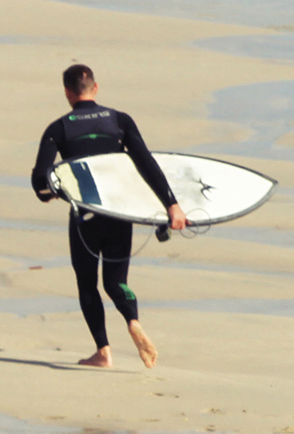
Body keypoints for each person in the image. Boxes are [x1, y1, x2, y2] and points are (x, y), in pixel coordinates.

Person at [32, 63, 189, 369]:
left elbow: (40, 179)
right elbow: (146, 163)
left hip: (85, 216)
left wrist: (50, 193)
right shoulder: (119, 120)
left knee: (87, 283)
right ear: (96, 87)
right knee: (117, 282)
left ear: (67, 93)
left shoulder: (58, 129)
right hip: (119, 212)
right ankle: (132, 320)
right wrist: (172, 204)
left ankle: (103, 352)